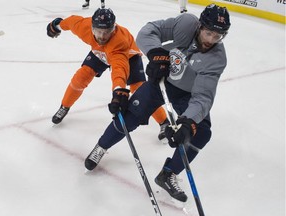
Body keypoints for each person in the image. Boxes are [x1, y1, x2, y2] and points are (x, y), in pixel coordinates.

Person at [84, 3, 231, 202]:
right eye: (208, 33)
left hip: (186, 95)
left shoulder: (217, 59)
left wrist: (188, 121)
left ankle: (168, 173)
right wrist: (156, 53)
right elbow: (148, 30)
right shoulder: (185, 23)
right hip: (160, 81)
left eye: (218, 36)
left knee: (201, 132)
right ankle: (101, 146)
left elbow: (203, 96)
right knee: (129, 117)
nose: (211, 40)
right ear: (199, 26)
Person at [46, 8, 167, 136]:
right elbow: (71, 22)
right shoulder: (83, 27)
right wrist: (57, 25)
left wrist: (118, 90)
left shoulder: (120, 42)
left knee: (139, 90)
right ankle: (64, 106)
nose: (102, 36)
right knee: (80, 78)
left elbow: (119, 68)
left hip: (128, 56)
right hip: (101, 52)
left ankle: (164, 122)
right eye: (98, 32)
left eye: (107, 32)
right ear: (92, 27)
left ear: (113, 29)